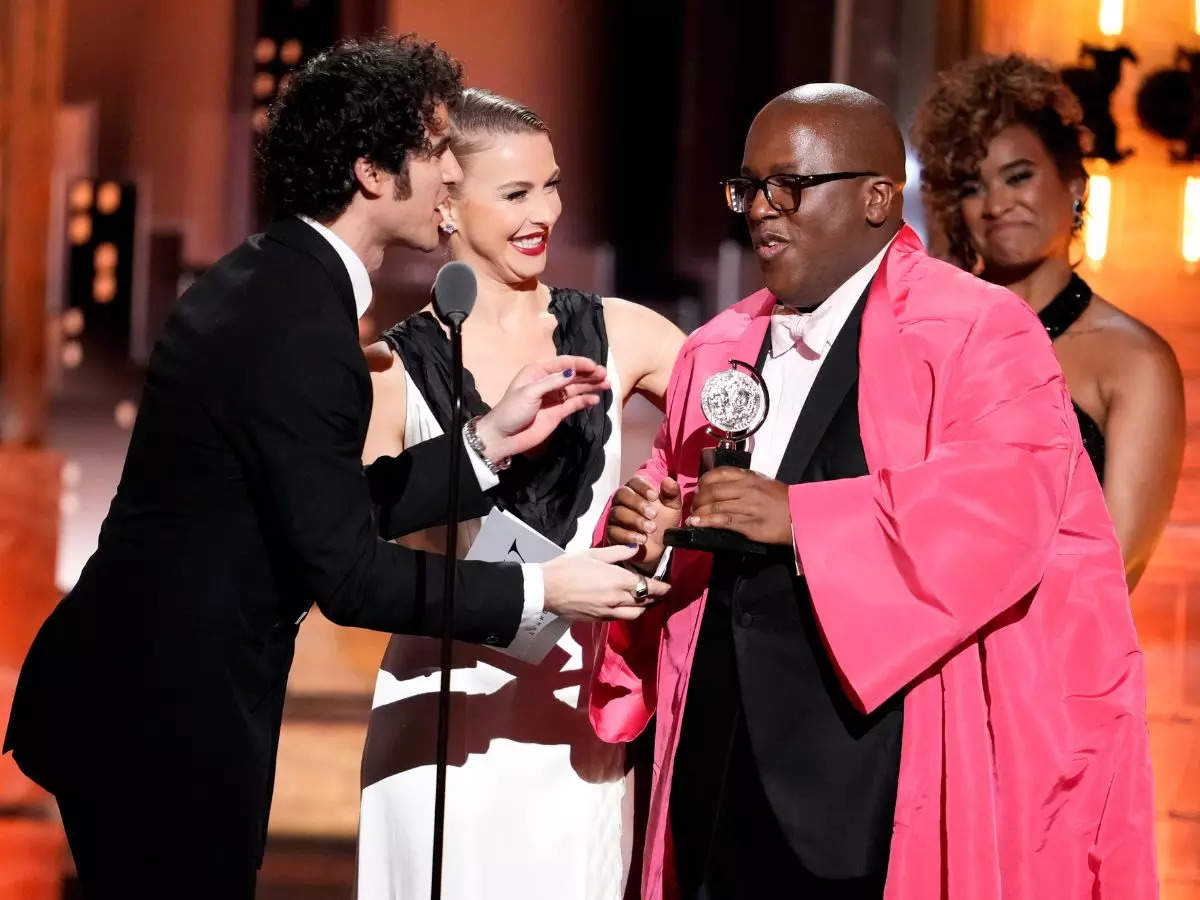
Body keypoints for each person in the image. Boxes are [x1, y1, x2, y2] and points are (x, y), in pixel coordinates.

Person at [3, 37, 665, 900]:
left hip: (149, 700)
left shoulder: (279, 281)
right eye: (433, 153)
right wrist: (547, 593)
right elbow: (348, 576)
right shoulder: (301, 326)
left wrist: (484, 443)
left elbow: (325, 506)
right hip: (158, 719)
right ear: (371, 173)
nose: (449, 179)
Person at [594, 83, 1157, 899]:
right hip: (715, 754)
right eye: (747, 187)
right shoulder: (719, 343)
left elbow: (1000, 512)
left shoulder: (978, 329)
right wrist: (651, 526)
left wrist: (800, 517)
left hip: (869, 764)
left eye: (788, 186)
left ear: (878, 198)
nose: (760, 210)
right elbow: (676, 490)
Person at [355, 88, 684, 900]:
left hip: (575, 710)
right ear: (447, 204)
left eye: (553, 184)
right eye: (515, 193)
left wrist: (667, 511)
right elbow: (352, 556)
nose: (547, 212)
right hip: (443, 719)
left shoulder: (625, 331)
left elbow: (742, 444)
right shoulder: (388, 372)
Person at [911, 53, 1185, 590]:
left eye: (1019, 176)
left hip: (1050, 660)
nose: (997, 204)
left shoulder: (1134, 362)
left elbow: (1115, 564)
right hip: (894, 650)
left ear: (1074, 185)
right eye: (972, 186)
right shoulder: (923, 333)